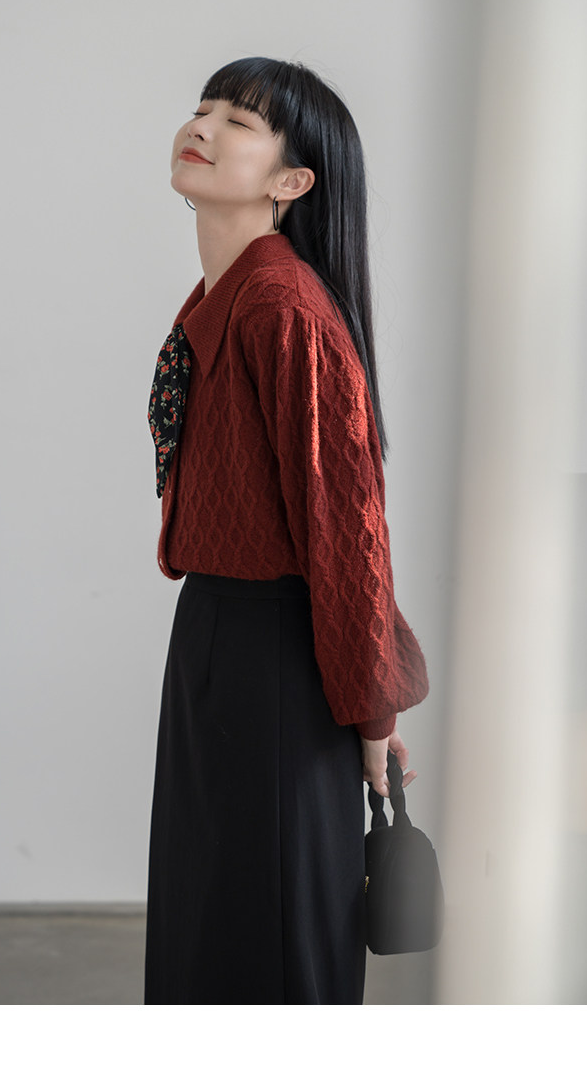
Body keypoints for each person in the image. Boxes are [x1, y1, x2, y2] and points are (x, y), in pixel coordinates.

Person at [144, 57, 430, 1005]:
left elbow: (346, 532)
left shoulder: (281, 305)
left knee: (261, 941)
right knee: (216, 922)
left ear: (293, 181)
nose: (204, 126)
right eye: (203, 108)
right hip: (218, 640)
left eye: (240, 121)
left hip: (276, 657)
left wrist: (373, 715)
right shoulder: (230, 293)